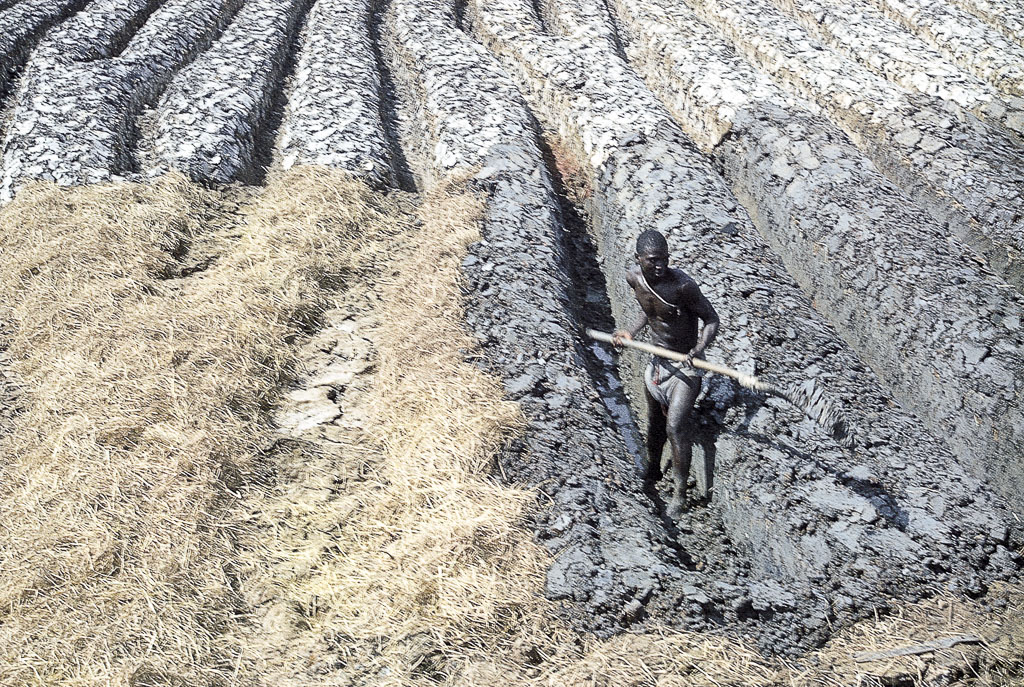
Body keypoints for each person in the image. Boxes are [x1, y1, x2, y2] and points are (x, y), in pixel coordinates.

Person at [613, 230, 719, 516]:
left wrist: (699, 347)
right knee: (654, 423)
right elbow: (650, 312)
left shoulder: (683, 286)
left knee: (675, 426)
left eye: (664, 259)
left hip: (685, 367)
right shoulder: (634, 278)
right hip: (657, 363)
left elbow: (711, 319)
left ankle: (680, 493)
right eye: (652, 261)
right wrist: (630, 332)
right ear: (638, 260)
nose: (660, 266)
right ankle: (652, 471)